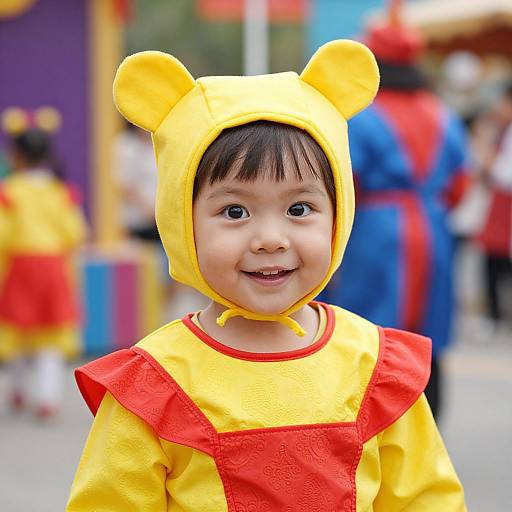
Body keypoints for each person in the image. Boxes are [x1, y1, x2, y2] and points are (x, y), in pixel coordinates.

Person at [66, 41, 466, 510]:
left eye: (300, 208)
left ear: (338, 215)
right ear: (180, 219)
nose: (270, 238)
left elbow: (427, 499)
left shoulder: (375, 367)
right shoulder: (155, 384)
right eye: (235, 211)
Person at [319, 7, 471, 419]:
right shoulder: (444, 114)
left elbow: (344, 185)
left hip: (375, 231)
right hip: (433, 227)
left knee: (368, 329)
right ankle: (427, 423)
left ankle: (369, 425)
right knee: (428, 331)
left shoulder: (361, 115)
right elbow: (459, 187)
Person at [0, 107, 87, 418]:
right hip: (53, 268)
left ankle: (19, 391)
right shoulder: (62, 192)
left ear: (16, 156)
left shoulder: (9, 192)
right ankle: (47, 398)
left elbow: (3, 235)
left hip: (19, 267)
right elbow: (75, 233)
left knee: (18, 329)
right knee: (50, 334)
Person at [476, 84, 512, 332]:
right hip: (499, 202)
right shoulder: (502, 129)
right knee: (492, 258)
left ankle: (496, 316)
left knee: (497, 261)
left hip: (505, 202)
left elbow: (504, 173)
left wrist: (488, 163)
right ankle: (495, 315)